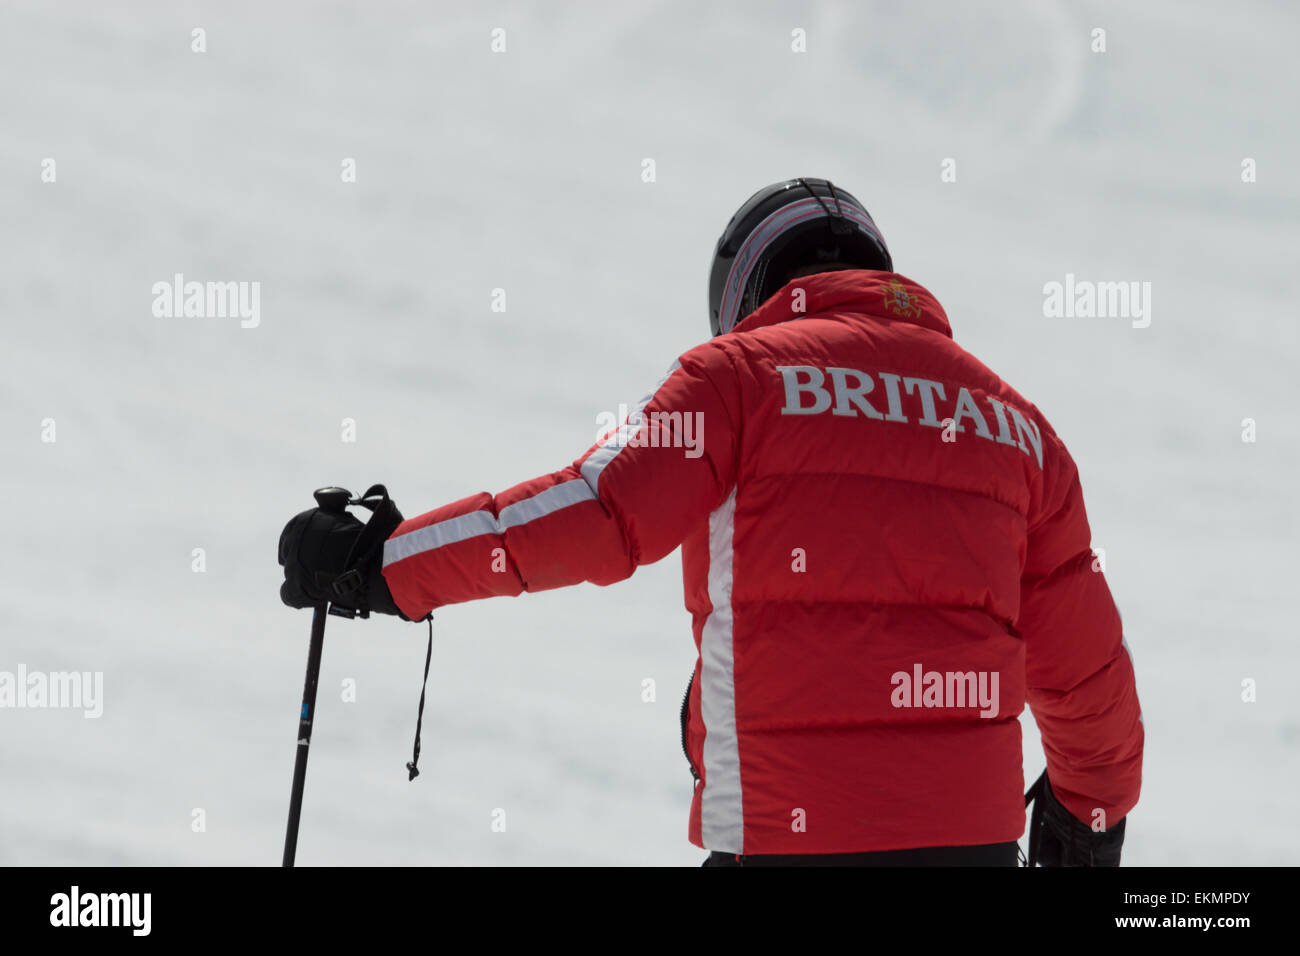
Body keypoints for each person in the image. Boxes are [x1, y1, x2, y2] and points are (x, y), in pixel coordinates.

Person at [279, 177, 1144, 866]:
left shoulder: (740, 378)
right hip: (974, 852)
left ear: (751, 289)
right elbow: (1086, 671)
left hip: (784, 840)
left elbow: (596, 512)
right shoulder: (1017, 428)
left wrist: (385, 562)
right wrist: (1090, 816)